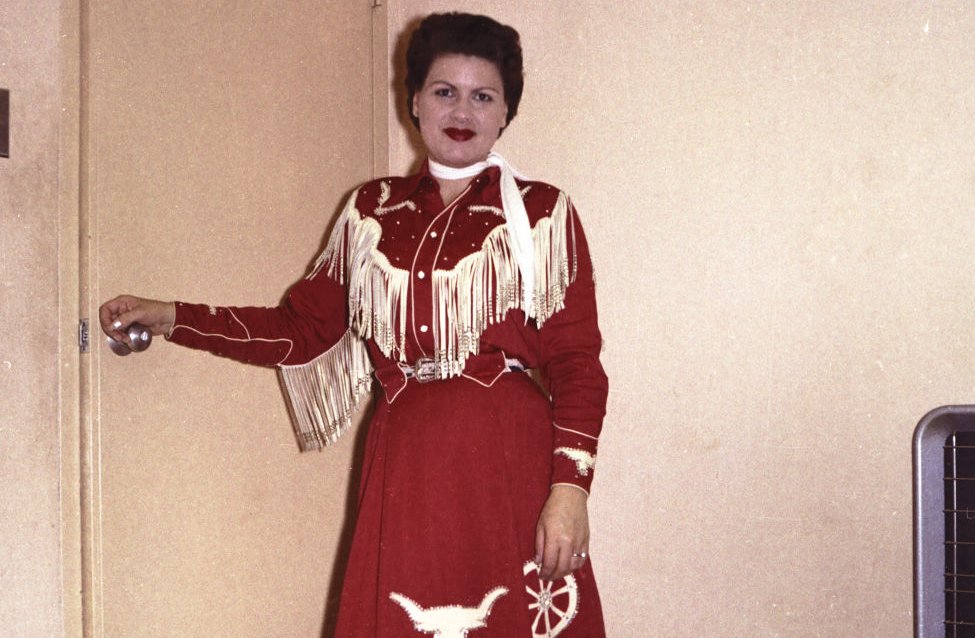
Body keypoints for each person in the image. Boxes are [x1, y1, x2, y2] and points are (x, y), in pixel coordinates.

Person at [100, 12, 608, 637]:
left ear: (506, 112)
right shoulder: (371, 212)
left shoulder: (542, 213)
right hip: (407, 461)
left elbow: (578, 362)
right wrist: (175, 317)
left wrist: (571, 489)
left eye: (484, 97)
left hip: (509, 464)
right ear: (415, 100)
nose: (463, 111)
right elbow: (299, 330)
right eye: (445, 91)